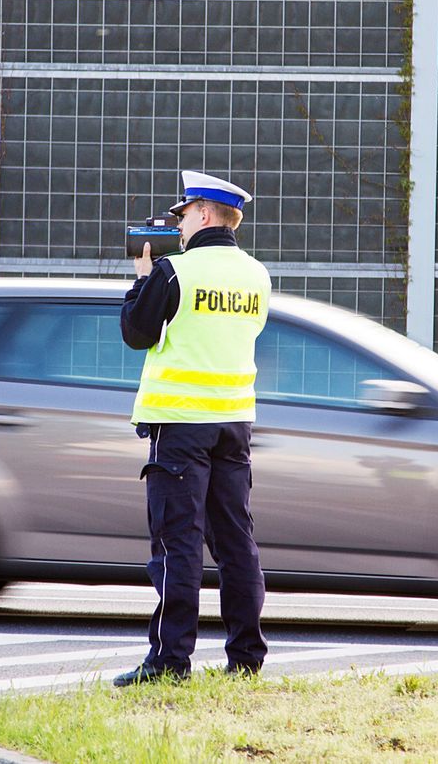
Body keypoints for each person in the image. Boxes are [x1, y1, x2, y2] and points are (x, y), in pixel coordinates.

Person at [113, 170, 271, 686]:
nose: (177, 226)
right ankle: (246, 660)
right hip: (234, 424)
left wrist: (142, 277)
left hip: (180, 425)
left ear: (204, 213)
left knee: (178, 544)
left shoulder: (176, 272)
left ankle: (168, 663)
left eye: (182, 216)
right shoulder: (256, 276)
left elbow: (137, 333)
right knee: (236, 543)